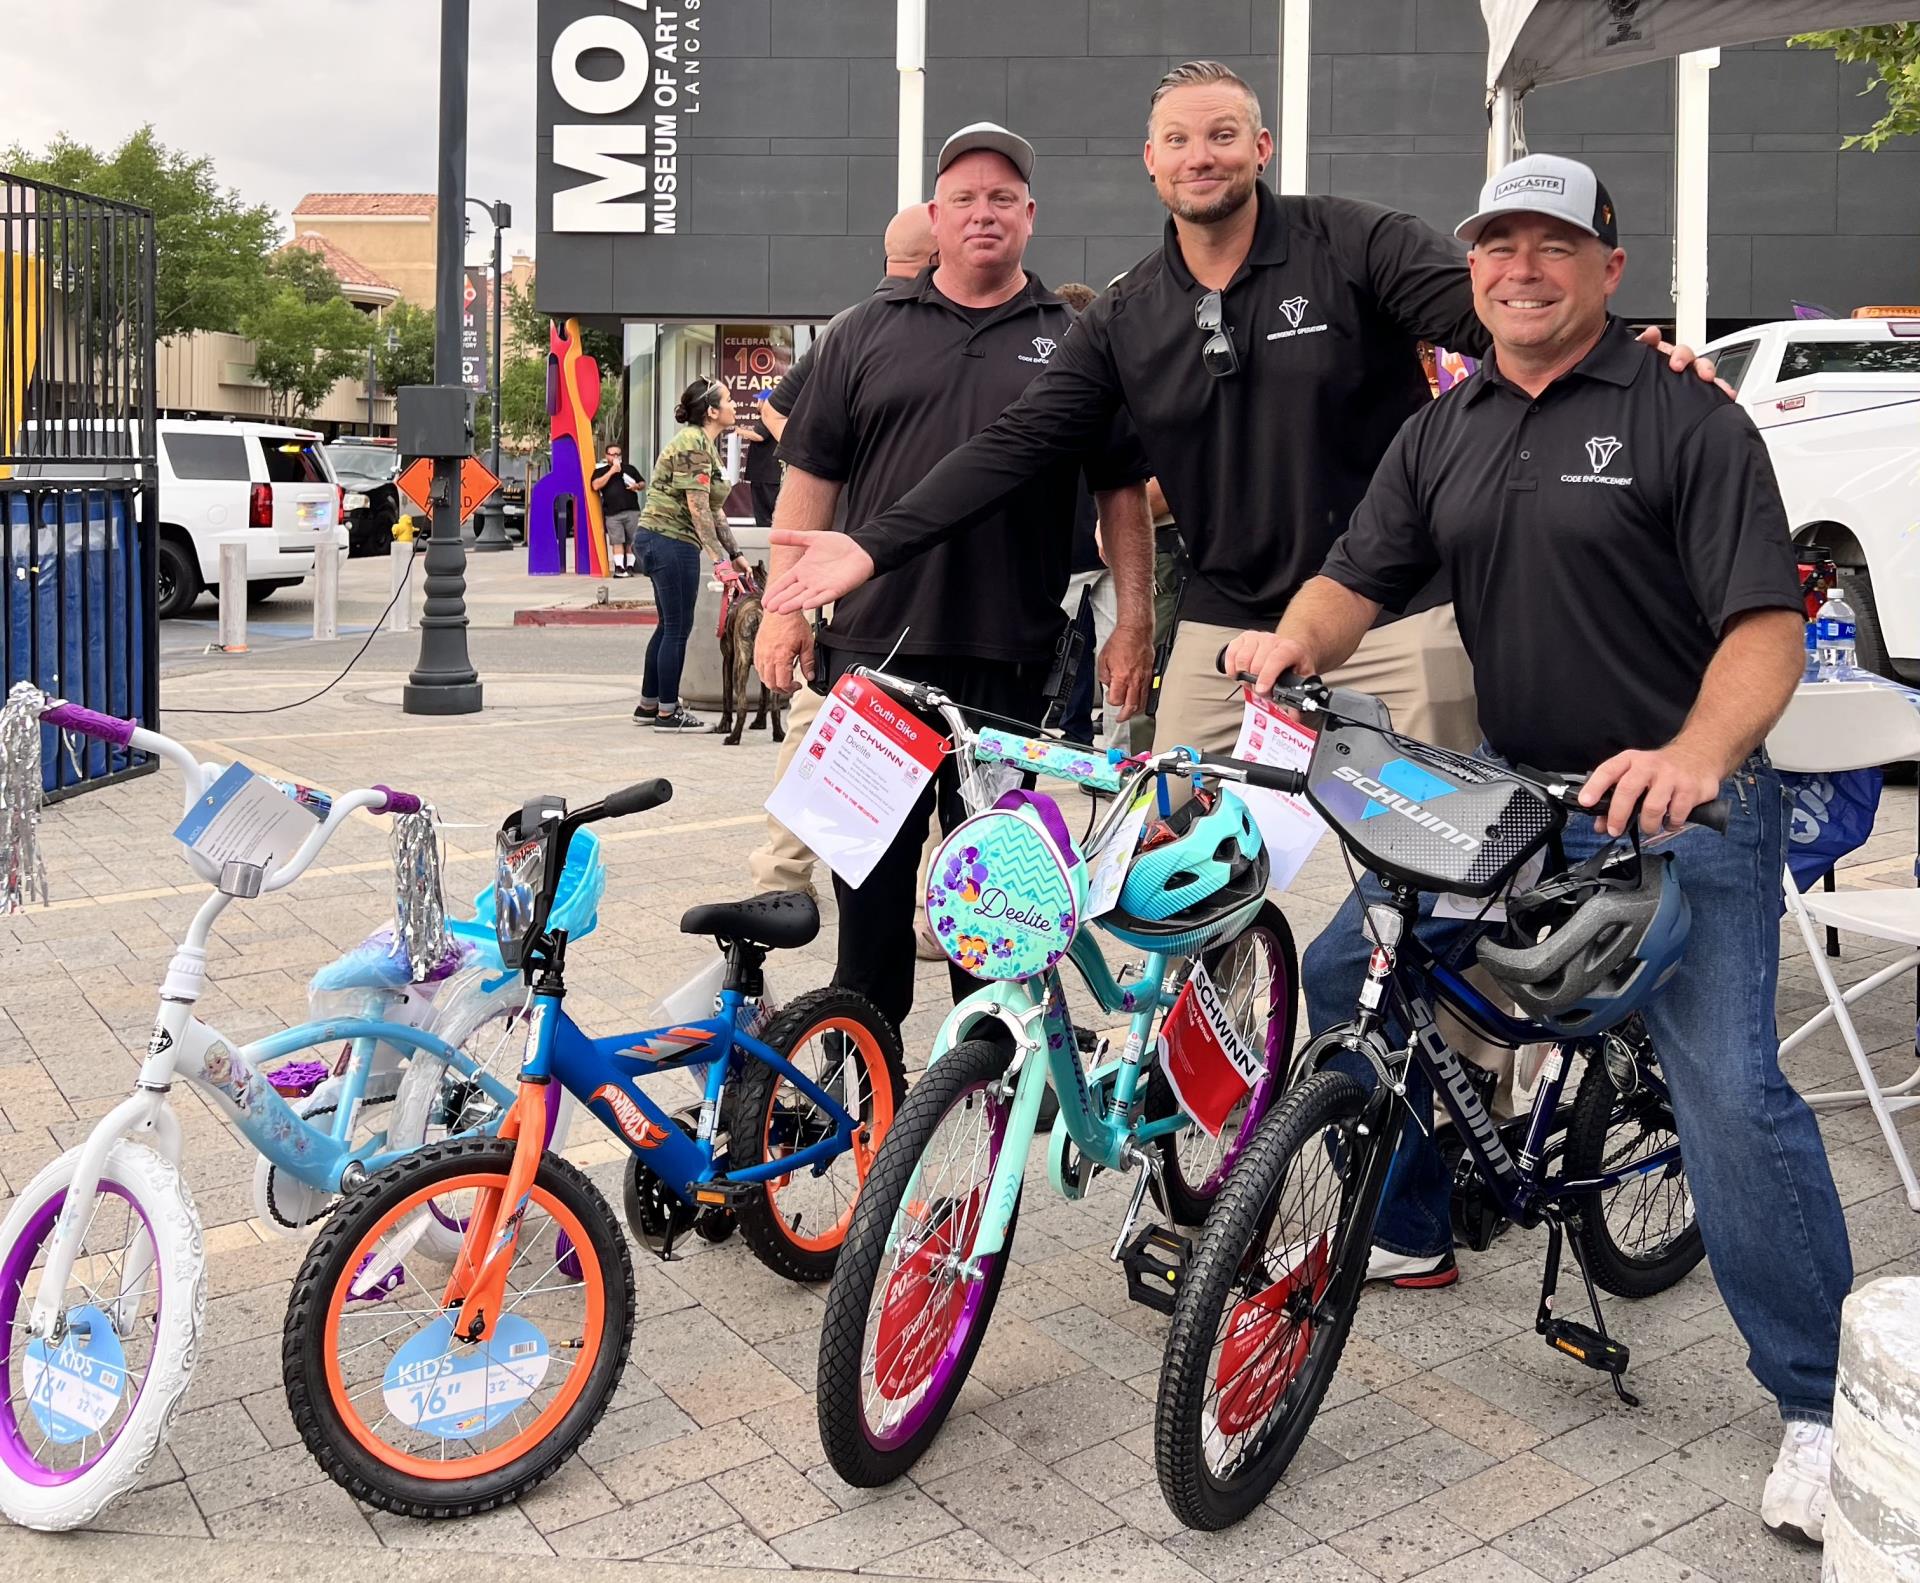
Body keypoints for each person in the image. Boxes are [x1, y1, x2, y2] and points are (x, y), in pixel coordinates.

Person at [1225, 154, 1851, 1548]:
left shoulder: (1687, 418)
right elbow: (1357, 572)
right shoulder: (1448, 427)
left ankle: (1824, 1404)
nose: (1522, 266)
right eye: (1499, 243)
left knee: (1731, 1092)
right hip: (1514, 793)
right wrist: (1291, 640)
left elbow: (1761, 626)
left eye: (1554, 244)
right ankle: (1418, 1217)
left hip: (1679, 806)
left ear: (1608, 270)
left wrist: (1694, 754)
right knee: (1350, 971)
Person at [761, 61, 1721, 760]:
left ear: (1259, 148)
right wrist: (874, 544)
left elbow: (1501, 315)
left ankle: (1461, 1043)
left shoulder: (1354, 242)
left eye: (1223, 134)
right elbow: (1016, 443)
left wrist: (1624, 346)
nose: (1201, 155)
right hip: (1229, 626)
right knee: (1178, 873)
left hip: (1391, 609)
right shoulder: (1128, 314)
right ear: (1150, 161)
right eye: (1178, 139)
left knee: (1441, 881)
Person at [755, 122, 1154, 1031]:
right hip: (874, 659)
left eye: (1002, 198)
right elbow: (809, 479)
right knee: (872, 918)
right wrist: (785, 611)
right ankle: (873, 1101)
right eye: (965, 198)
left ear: (1029, 216)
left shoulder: (1075, 339)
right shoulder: (863, 332)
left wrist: (1135, 621)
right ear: (936, 216)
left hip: (1007, 662)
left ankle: (985, 1089)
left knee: (990, 914)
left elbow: (1122, 493)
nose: (984, 213)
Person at [744, 203, 937, 901]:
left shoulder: (845, 328)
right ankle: (924, 908)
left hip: (848, 577)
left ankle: (781, 878)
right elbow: (786, 421)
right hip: (870, 567)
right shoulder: (872, 329)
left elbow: (773, 410)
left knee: (820, 724)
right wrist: (838, 451)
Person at [632, 379, 751, 732]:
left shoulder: (704, 445)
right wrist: (719, 560)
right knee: (678, 628)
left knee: (669, 625)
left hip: (663, 539)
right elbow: (697, 508)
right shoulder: (692, 444)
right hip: (669, 540)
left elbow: (714, 510)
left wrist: (735, 553)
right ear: (712, 411)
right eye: (728, 401)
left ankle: (649, 705)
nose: (734, 406)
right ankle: (669, 713)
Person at [591, 444, 644, 576]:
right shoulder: (601, 471)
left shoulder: (629, 469)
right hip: (612, 513)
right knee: (617, 540)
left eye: (618, 454)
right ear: (606, 456)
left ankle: (630, 566)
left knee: (632, 540)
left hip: (632, 510)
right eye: (612, 454)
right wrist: (612, 471)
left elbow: (642, 483)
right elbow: (595, 485)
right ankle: (619, 567)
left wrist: (637, 486)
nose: (615, 457)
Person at [738, 391, 784, 527]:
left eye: (759, 400)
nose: (756, 403)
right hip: (767, 473)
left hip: (765, 473)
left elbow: (759, 436)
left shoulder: (768, 417)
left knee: (765, 512)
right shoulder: (775, 417)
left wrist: (740, 431)